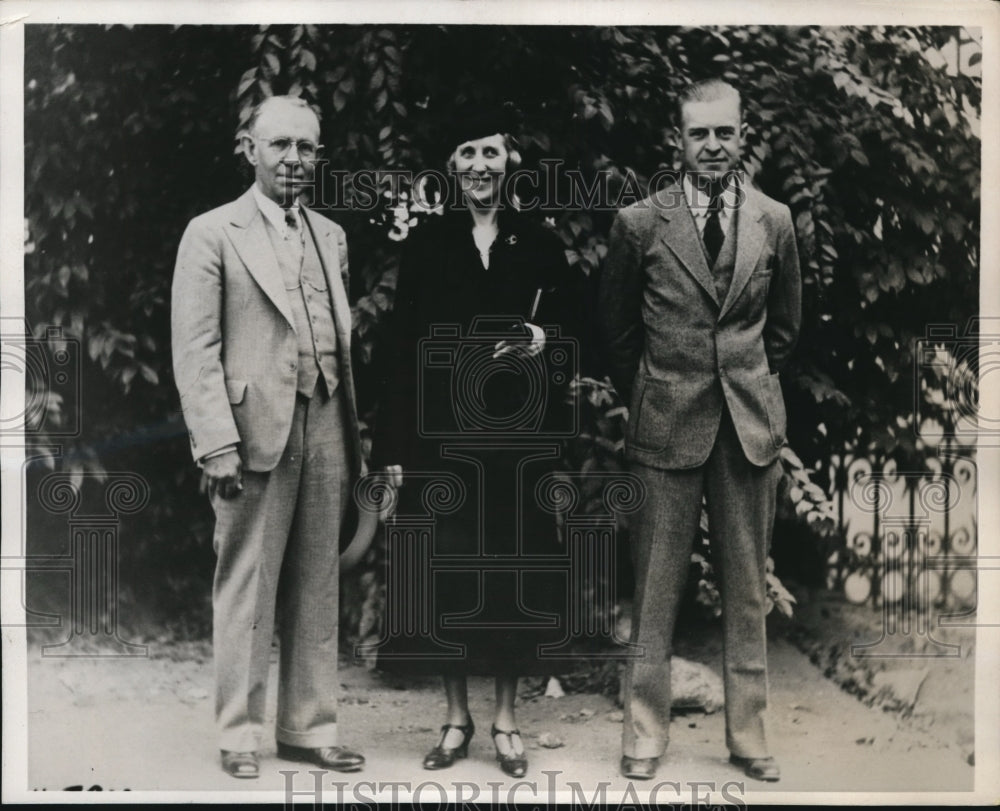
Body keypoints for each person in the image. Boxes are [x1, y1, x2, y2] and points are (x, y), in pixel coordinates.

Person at [370, 104, 586, 778]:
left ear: (508, 162)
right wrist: (392, 449)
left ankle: (506, 720)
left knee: (511, 575)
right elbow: (399, 348)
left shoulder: (538, 242)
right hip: (441, 442)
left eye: (490, 152)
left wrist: (542, 337)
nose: (480, 165)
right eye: (467, 153)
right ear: (453, 167)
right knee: (449, 575)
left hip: (518, 444)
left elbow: (578, 326)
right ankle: (456, 718)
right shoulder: (427, 244)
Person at [598, 79, 801, 783]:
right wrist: (659, 387)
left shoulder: (774, 220)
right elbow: (617, 331)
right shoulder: (639, 223)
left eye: (724, 132)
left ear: (743, 136)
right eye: (699, 134)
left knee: (747, 589)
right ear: (678, 141)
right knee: (656, 586)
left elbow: (785, 329)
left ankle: (750, 735)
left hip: (747, 427)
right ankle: (643, 734)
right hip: (666, 425)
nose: (712, 146)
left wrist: (748, 386)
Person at [171, 95, 366, 779]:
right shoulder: (211, 232)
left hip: (327, 420)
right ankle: (240, 732)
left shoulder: (330, 235)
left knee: (318, 582)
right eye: (279, 144)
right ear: (248, 148)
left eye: (306, 147)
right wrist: (215, 442)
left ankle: (309, 728)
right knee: (247, 584)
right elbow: (196, 349)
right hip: (250, 431)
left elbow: (334, 334)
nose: (293, 159)